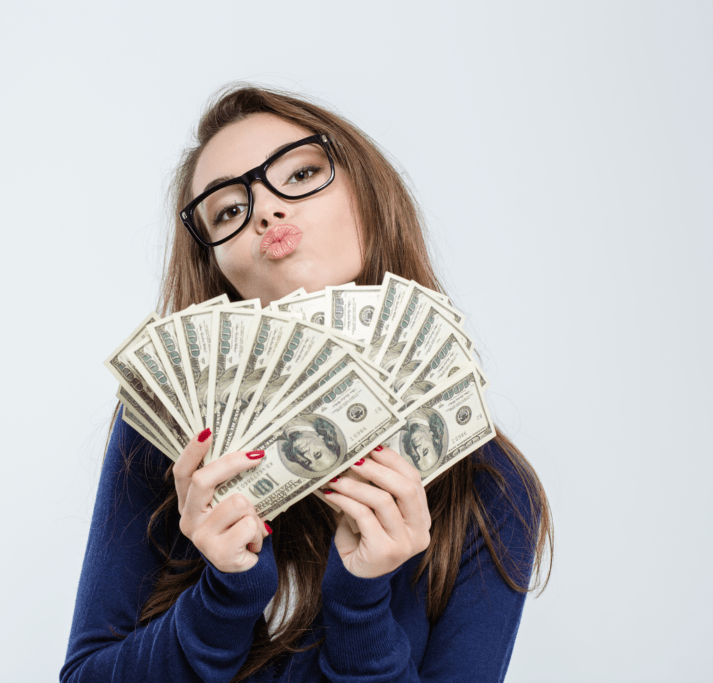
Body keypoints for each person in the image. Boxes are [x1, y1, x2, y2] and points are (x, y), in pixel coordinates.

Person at [62, 84, 553, 682]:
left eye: (299, 175)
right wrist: (224, 597)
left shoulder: (492, 492)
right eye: (227, 212)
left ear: (368, 195)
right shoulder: (170, 434)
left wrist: (362, 604)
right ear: (218, 269)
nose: (266, 211)